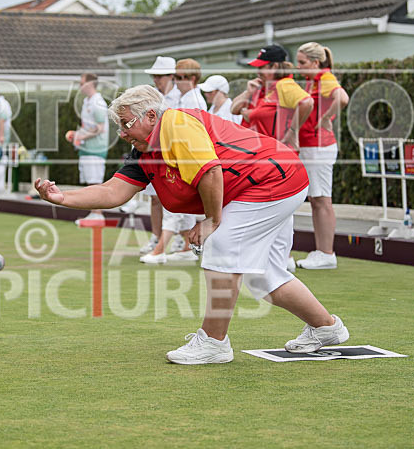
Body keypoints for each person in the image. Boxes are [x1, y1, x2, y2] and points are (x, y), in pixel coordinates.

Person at [34, 85, 349, 365]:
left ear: (152, 116)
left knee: (222, 246)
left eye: (127, 124)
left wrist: (211, 221)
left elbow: (210, 172)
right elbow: (113, 190)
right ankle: (326, 328)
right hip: (277, 178)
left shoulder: (177, 123)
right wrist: (63, 198)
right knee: (264, 275)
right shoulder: (145, 150)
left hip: (274, 179)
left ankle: (214, 343)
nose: (124, 133)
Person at [139, 58, 206, 264]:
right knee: (172, 201)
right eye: (175, 77)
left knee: (175, 201)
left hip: (183, 156)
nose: (175, 81)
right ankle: (186, 245)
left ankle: (161, 249)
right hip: (170, 154)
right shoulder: (182, 96)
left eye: (179, 77)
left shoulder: (190, 99)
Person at [294, 42, 350, 270]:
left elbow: (343, 98)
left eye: (302, 63)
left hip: (319, 146)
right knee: (316, 200)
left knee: (322, 200)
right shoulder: (312, 81)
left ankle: (327, 253)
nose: (299, 68)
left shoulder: (325, 77)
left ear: (316, 63)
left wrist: (327, 117)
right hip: (311, 145)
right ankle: (321, 251)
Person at [134, 56, 181, 253]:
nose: (156, 80)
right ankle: (156, 237)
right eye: (154, 76)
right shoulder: (153, 97)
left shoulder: (181, 97)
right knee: (154, 198)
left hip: (174, 155)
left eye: (160, 76)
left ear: (171, 76)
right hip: (154, 154)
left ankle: (180, 239)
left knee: (174, 198)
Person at [231, 45, 313, 153]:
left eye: (261, 67)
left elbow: (307, 102)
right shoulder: (264, 87)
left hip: (278, 157)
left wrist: (292, 132)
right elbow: (233, 109)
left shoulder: (283, 85)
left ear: (274, 66)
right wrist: (248, 93)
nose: (258, 72)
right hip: (262, 155)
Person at [65, 73, 109, 222]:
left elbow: (100, 128)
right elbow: (88, 127)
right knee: (91, 182)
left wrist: (80, 137)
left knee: (95, 182)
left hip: (96, 149)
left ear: (90, 84)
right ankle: (94, 213)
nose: (79, 86)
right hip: (86, 148)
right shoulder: (86, 102)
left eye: (81, 83)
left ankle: (98, 214)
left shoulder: (98, 103)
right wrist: (77, 135)